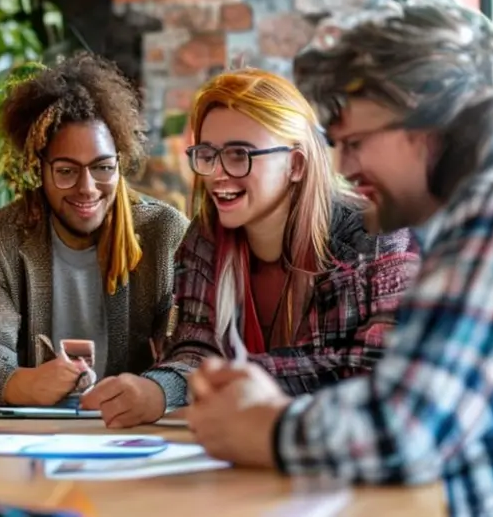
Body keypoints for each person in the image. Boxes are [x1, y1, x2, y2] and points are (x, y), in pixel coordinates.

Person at [184, 3, 493, 516]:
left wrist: (263, 426)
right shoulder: (456, 223)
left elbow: (405, 428)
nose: (346, 167)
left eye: (355, 143)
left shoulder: (487, 215)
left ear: (429, 116)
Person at [127, 69, 419, 425]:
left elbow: (370, 368)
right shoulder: (204, 239)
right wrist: (159, 388)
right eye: (207, 154)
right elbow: (196, 347)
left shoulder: (377, 237)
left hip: (336, 453)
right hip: (236, 448)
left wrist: (235, 376)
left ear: (295, 164)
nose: (218, 173)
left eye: (238, 154)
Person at [0, 52, 190, 421]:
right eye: (66, 171)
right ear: (39, 168)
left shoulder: (164, 233)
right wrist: (27, 384)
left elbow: (193, 355)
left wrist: (157, 389)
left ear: (120, 162)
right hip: (29, 441)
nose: (87, 188)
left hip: (132, 433)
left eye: (102, 168)